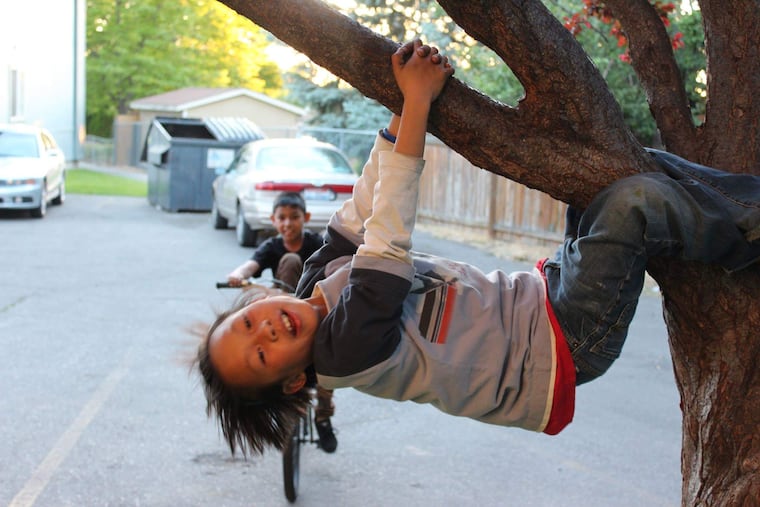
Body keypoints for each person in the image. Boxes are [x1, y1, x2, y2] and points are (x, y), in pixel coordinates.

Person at [194, 39, 760, 456]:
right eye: (262, 356)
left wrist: (397, 111)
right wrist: (417, 104)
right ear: (295, 381)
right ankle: (748, 237)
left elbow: (362, 205)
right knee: (634, 203)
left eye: (250, 327)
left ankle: (747, 212)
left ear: (256, 303)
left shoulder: (311, 283)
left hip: (544, 292)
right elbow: (387, 233)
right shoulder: (344, 353)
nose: (266, 333)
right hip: (561, 343)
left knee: (621, 168)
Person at [223, 190, 338, 453]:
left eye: (294, 217)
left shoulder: (315, 243)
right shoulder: (271, 247)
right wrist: (237, 275)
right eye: (282, 218)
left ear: (305, 218)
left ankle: (323, 416)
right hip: (281, 312)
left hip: (312, 313)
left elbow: (335, 261)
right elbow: (251, 265)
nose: (288, 223)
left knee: (327, 370)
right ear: (273, 220)